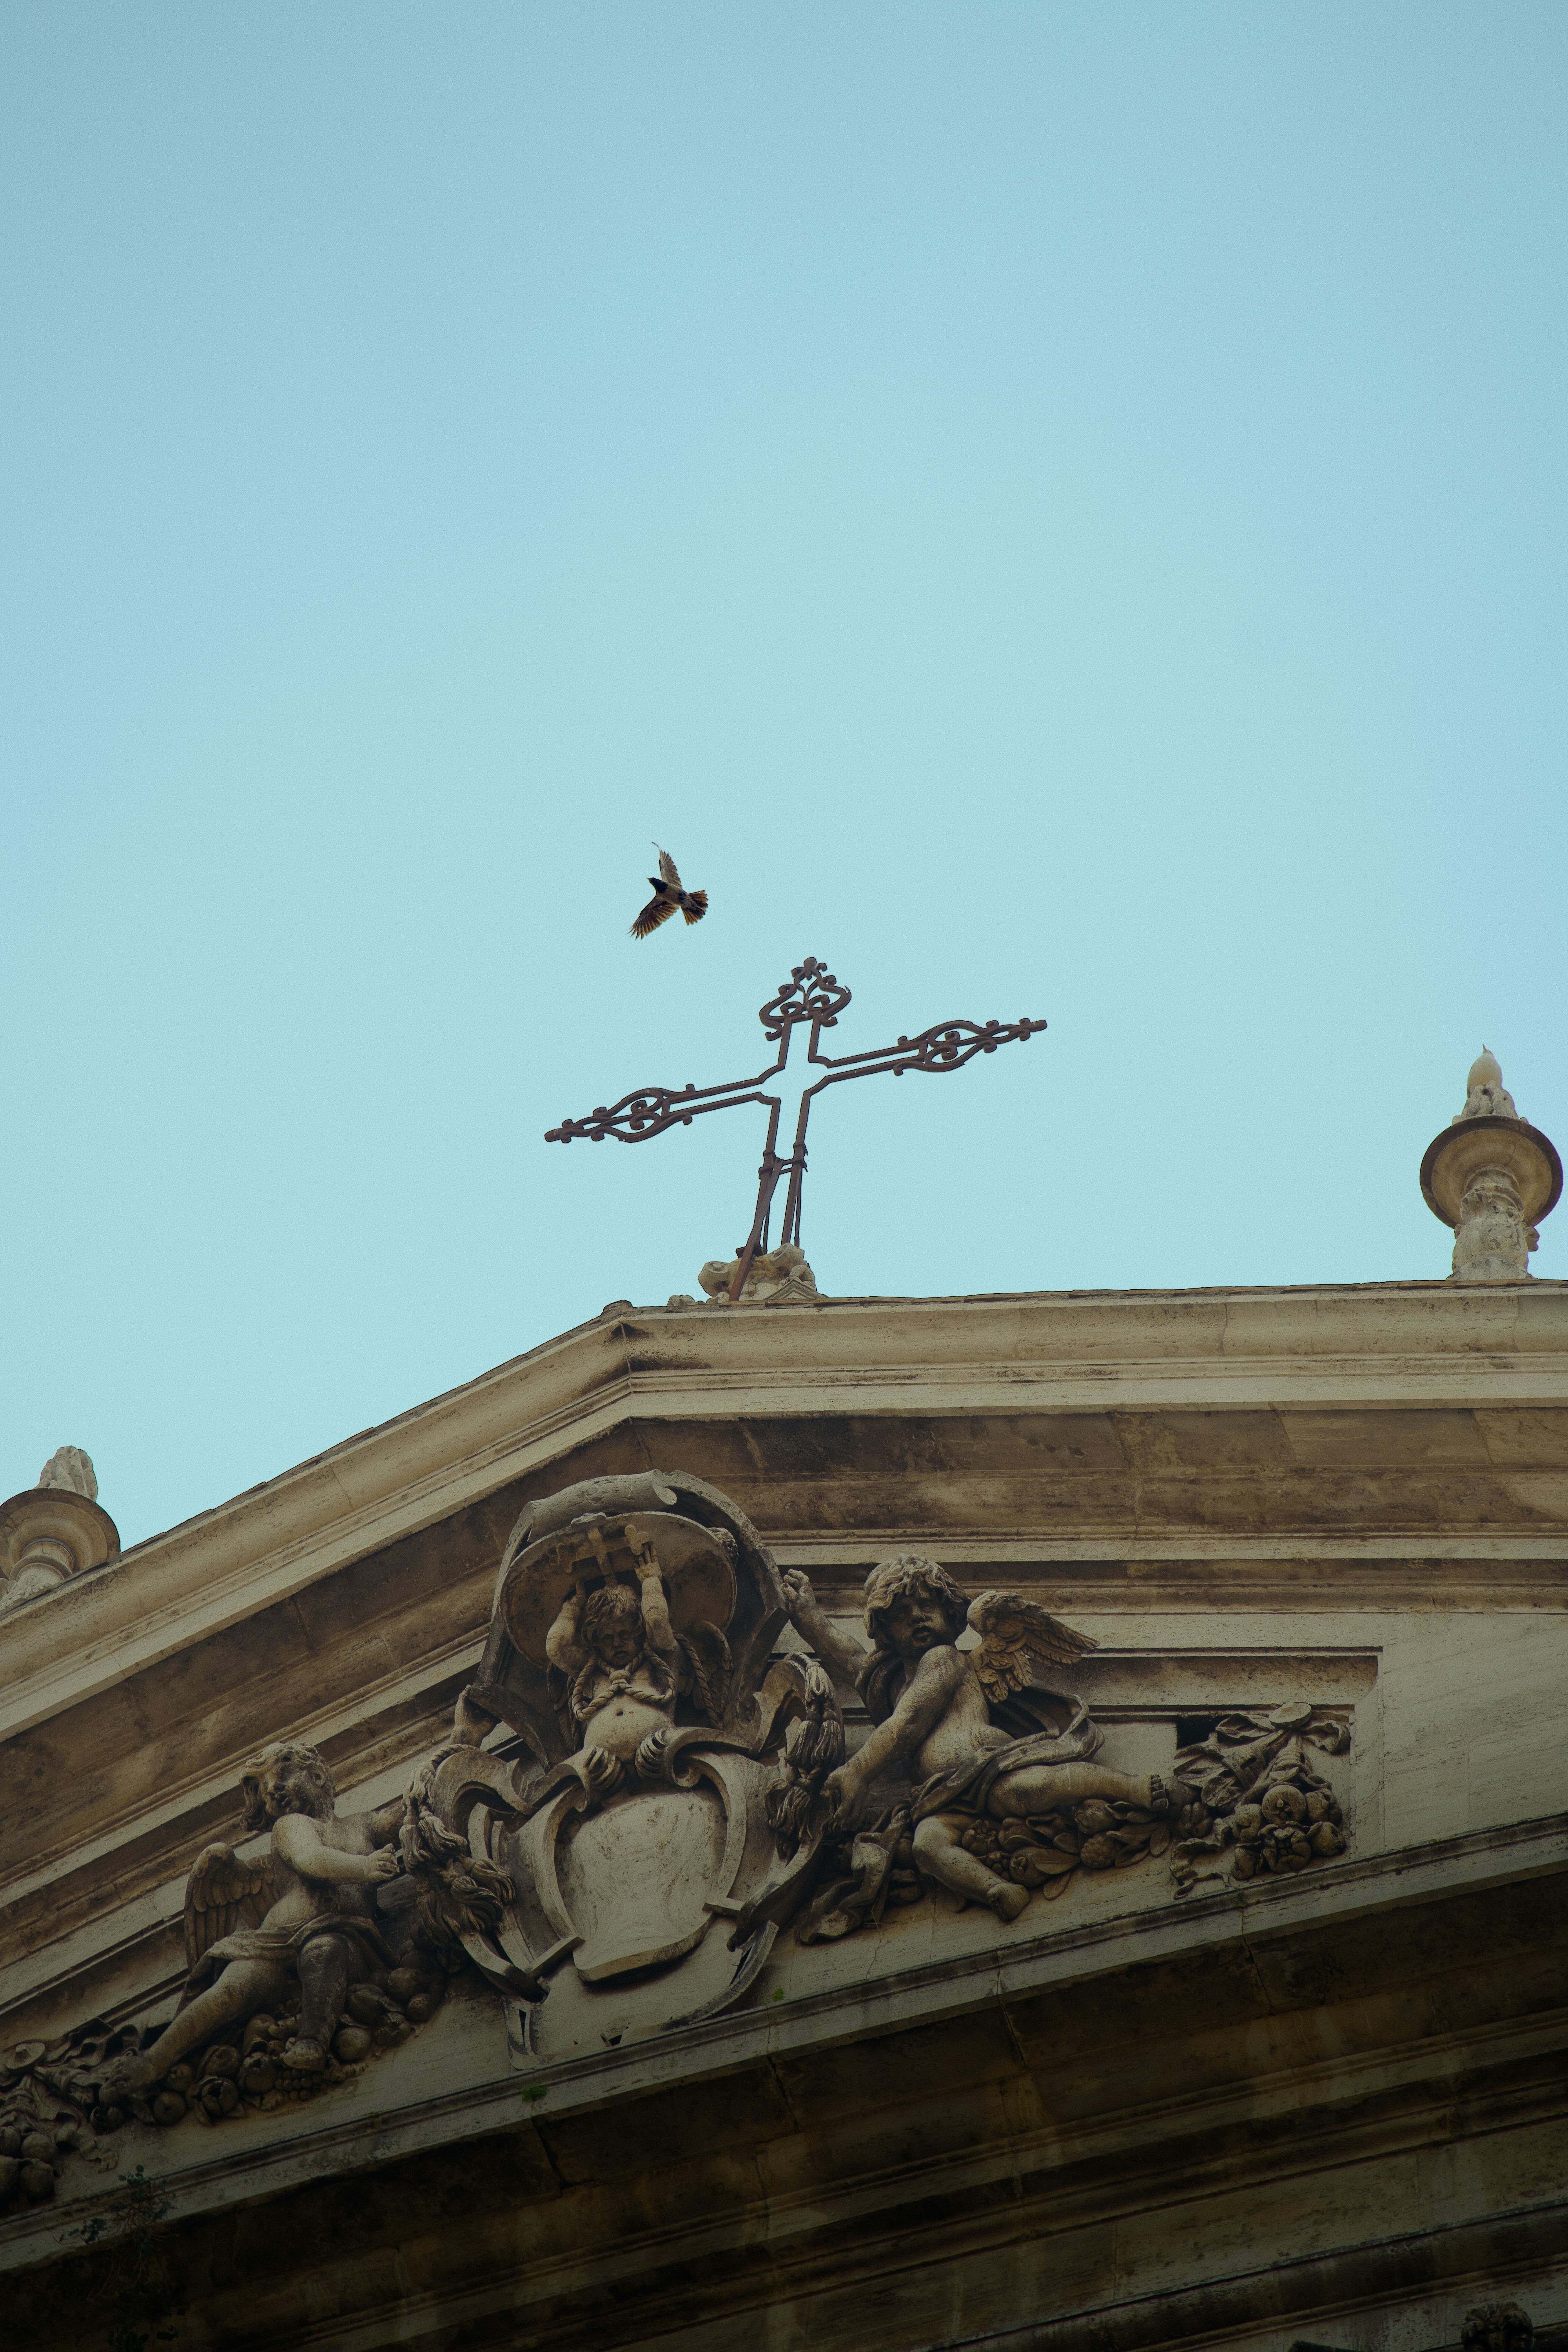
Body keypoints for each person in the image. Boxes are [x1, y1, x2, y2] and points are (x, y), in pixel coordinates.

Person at [783, 1557, 1171, 1924]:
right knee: (927, 1845)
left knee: (1032, 1788)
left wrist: (857, 1771)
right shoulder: (891, 1680)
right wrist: (810, 1620)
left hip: (983, 1765)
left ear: (949, 1612)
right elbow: (854, 1662)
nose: (916, 1617)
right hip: (940, 1793)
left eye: (925, 1606)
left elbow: (910, 1722)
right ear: (885, 1632)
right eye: (901, 1614)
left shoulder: (943, 1659)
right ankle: (998, 1889)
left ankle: (1131, 1787)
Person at [104, 1742, 405, 2094]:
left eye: (279, 1779)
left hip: (343, 1936)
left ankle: (312, 2039)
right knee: (230, 1991)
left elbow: (410, 1809)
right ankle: (155, 2059)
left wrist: (462, 1736)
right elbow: (310, 1859)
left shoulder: (363, 1826)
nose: (272, 1793)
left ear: (318, 1775)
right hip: (273, 1943)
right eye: (264, 1793)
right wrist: (365, 1867)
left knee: (324, 1951)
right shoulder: (291, 1826)